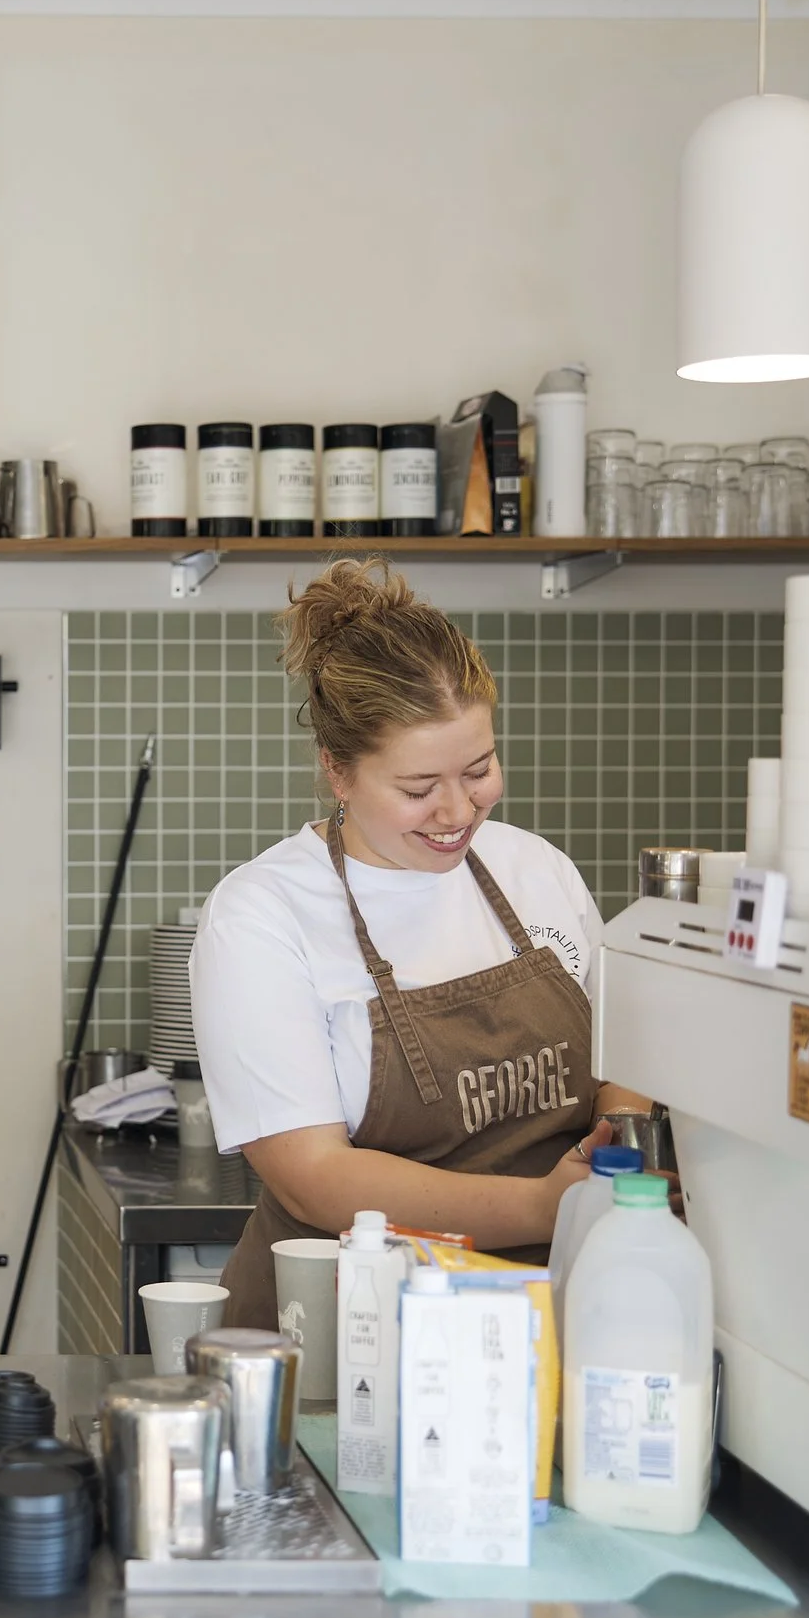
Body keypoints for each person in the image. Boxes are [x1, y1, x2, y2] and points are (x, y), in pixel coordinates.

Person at [196, 558, 653, 1329]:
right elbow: (314, 1176)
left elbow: (626, 1059)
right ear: (337, 772)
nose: (455, 810)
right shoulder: (262, 914)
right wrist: (546, 1205)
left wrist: (622, 1139)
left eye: (479, 770)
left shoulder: (534, 869)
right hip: (348, 1335)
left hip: (554, 1313)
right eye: (417, 789)